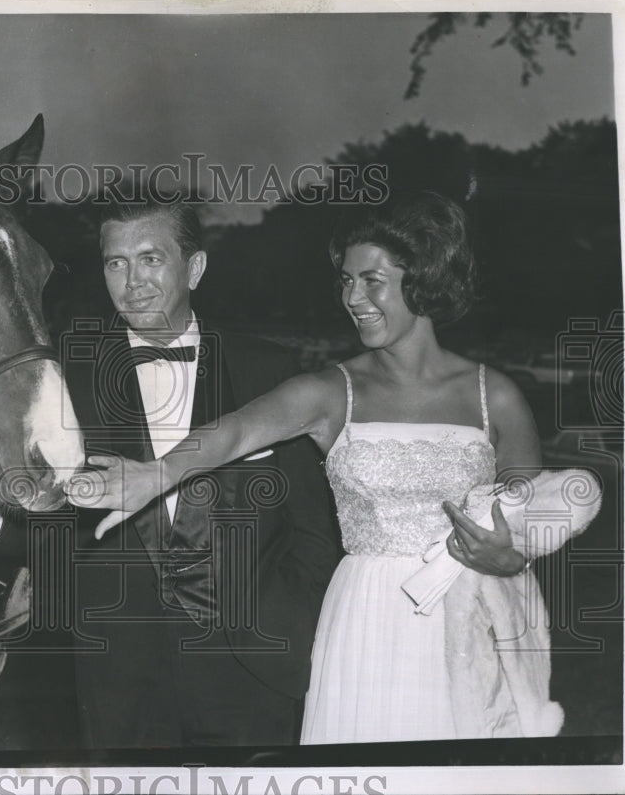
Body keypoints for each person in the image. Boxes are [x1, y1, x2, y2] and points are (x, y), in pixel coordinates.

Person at [68, 191, 595, 743]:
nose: (353, 298)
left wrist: (508, 555)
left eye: (372, 280)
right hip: (363, 619)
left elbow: (532, 519)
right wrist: (156, 475)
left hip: (465, 627)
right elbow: (235, 430)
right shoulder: (329, 389)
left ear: (425, 280)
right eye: (345, 280)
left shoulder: (499, 397)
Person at [0, 199, 341, 747]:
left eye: (151, 259)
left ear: (195, 268)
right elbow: (46, 531)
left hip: (257, 672)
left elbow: (318, 532)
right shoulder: (62, 379)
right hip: (117, 682)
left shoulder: (269, 372)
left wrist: (291, 625)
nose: (133, 282)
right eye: (116, 263)